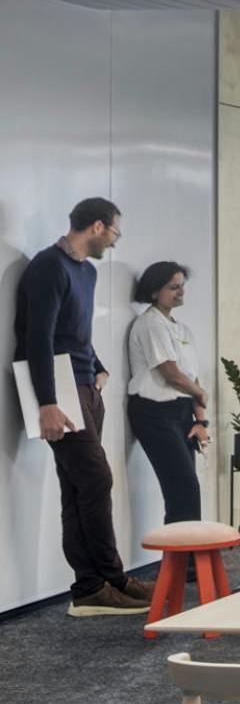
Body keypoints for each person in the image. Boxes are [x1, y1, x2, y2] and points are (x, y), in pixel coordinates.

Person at [12, 197, 150, 615]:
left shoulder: (86, 272)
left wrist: (100, 367)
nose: (114, 240)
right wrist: (47, 402)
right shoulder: (48, 266)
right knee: (95, 480)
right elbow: (38, 337)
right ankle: (103, 578)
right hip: (62, 392)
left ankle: (96, 584)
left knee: (79, 487)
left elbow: (77, 333)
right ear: (97, 226)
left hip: (87, 387)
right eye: (115, 232)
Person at [126, 261, 209, 525]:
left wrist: (201, 420)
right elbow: (171, 374)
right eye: (173, 287)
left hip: (182, 412)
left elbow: (192, 376)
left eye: (182, 286)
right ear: (154, 292)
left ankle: (187, 560)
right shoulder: (150, 324)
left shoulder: (182, 329)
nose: (181, 292)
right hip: (155, 413)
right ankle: (184, 562)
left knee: (188, 488)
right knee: (182, 488)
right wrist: (200, 393)